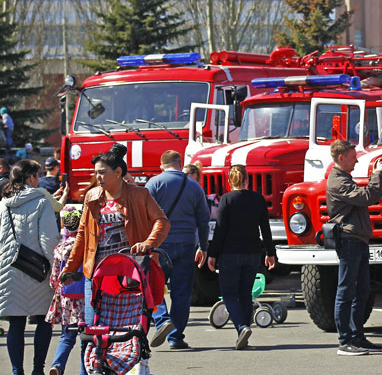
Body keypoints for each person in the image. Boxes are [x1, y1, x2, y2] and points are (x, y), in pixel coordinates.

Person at [60, 143, 170, 346]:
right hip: (96, 274)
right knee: (94, 329)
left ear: (118, 172)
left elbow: (162, 221)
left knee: (129, 328)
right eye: (96, 173)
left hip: (129, 273)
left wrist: (147, 243)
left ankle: (128, 366)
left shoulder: (140, 195)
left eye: (102, 172)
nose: (98, 177)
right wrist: (69, 268)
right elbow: (83, 235)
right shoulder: (92, 197)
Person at [0, 159, 60, 375]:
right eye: (36, 175)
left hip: (9, 269)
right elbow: (47, 239)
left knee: (15, 323)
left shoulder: (4, 203)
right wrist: (57, 265)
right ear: (30, 178)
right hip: (37, 269)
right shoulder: (40, 201)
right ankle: (37, 370)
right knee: (44, 321)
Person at [326, 140, 382, 355]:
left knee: (362, 290)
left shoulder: (344, 179)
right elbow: (367, 196)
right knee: (346, 290)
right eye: (353, 156)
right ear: (341, 158)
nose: (357, 159)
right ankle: (345, 341)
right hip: (349, 239)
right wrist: (377, 174)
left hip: (357, 239)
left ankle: (357, 336)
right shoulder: (337, 182)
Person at [207, 165, 275, 350]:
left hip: (229, 253)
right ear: (247, 180)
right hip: (252, 252)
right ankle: (243, 334)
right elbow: (265, 229)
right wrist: (270, 253)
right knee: (245, 294)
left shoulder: (227, 200)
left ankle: (242, 327)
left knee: (229, 294)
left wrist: (212, 253)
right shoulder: (258, 199)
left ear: (229, 182)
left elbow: (219, 229)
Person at [146, 150, 210, 350]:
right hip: (186, 244)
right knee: (181, 292)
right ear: (180, 163)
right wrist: (203, 246)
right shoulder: (195, 186)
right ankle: (176, 336)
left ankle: (162, 319)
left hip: (159, 245)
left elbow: (143, 214)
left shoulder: (154, 184)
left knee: (153, 287)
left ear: (161, 165)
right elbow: (204, 219)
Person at [45, 206, 87, 375]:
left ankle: (57, 366)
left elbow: (54, 280)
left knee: (67, 337)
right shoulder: (87, 245)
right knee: (88, 339)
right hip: (86, 300)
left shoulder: (60, 248)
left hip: (67, 301)